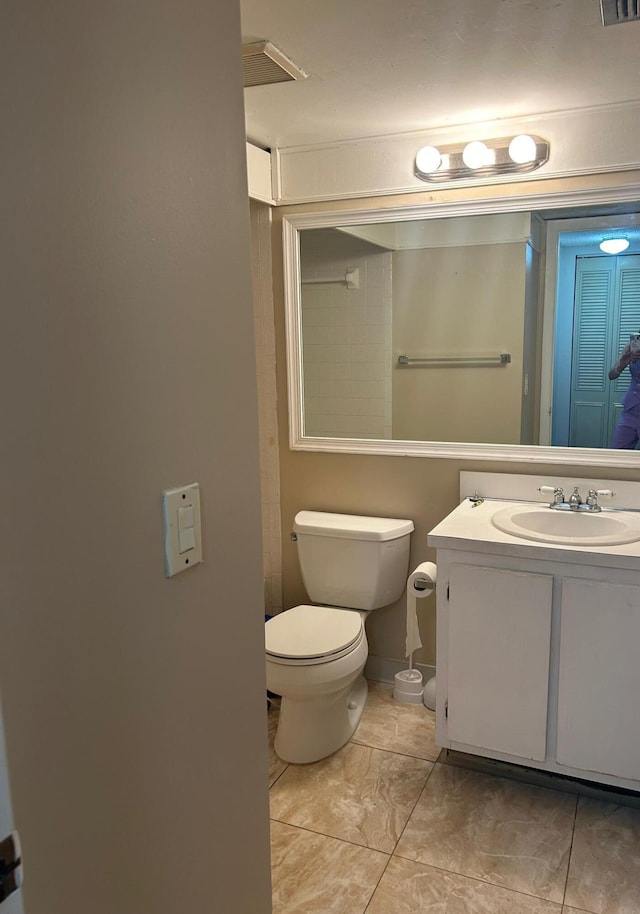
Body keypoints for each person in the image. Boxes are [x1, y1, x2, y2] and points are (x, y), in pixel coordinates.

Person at [608, 334, 640, 449]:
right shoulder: (632, 347)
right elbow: (611, 375)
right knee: (616, 454)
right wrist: (622, 364)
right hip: (630, 411)